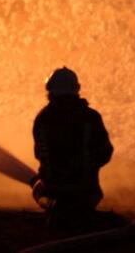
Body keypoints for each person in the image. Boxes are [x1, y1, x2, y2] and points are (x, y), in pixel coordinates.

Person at [31, 67, 113, 228]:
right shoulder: (91, 117)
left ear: (50, 91)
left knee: (38, 186)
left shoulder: (42, 119)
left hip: (53, 193)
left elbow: (39, 154)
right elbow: (106, 152)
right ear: (76, 89)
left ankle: (55, 209)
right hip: (88, 193)